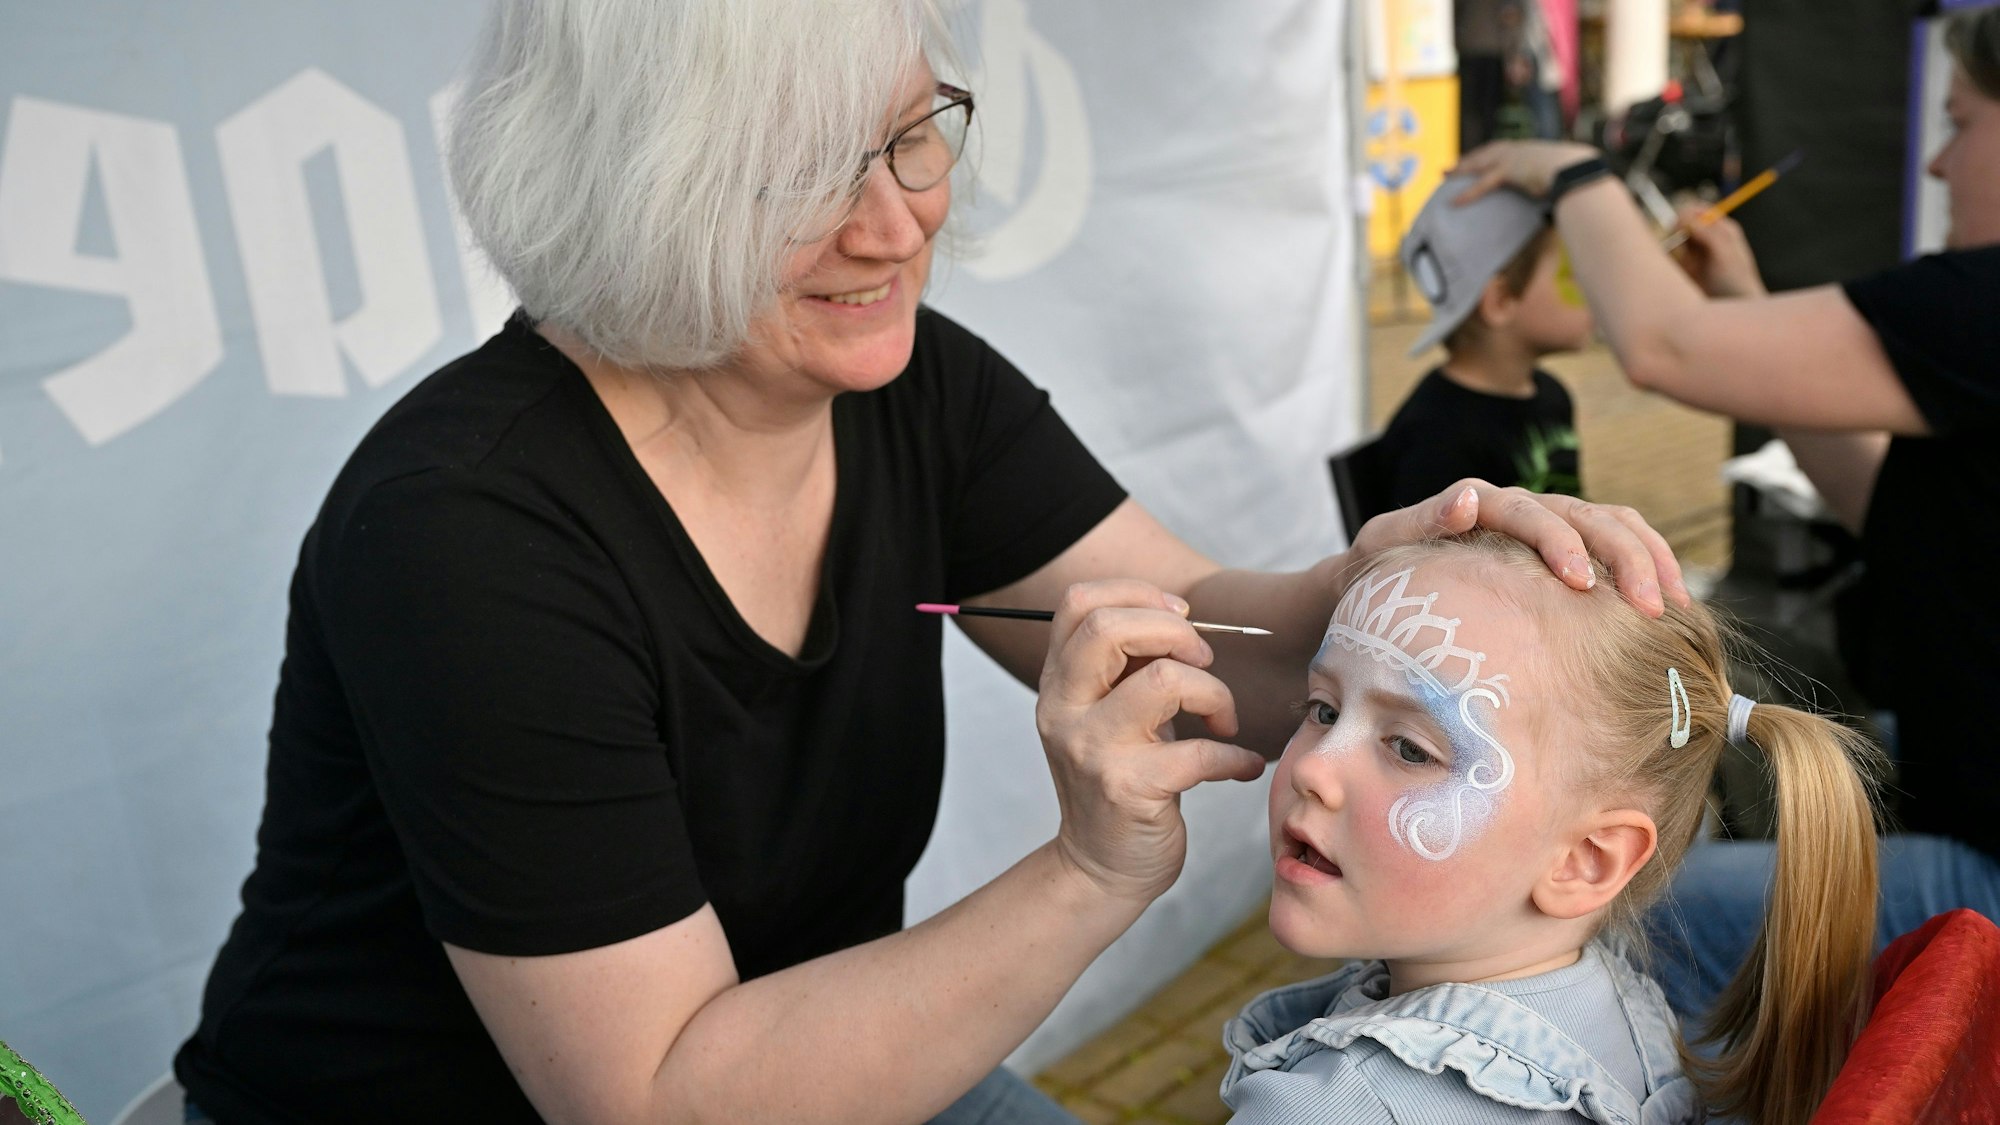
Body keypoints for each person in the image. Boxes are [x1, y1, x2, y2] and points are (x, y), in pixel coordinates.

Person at [170, 1, 1688, 1121]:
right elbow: (662, 1096)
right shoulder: (464, 539)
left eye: (914, 136)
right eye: (811, 178)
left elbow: (1211, 646)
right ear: (631, 190)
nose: (898, 224)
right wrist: (1094, 871)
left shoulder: (905, 387)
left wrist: (1384, 587)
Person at [1447, 8, 2000, 1025]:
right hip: (1949, 785)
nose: (1933, 163)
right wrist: (1743, 298)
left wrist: (1574, 174)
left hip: (1983, 870)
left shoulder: (1982, 302)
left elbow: (1664, 347)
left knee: (1616, 907)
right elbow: (1892, 507)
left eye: (1960, 124)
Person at [1218, 532, 1884, 1125]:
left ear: (1586, 861)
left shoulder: (1334, 1105)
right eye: (1324, 708)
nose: (1314, 768)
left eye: (1411, 748)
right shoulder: (1620, 1005)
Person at [1377, 173, 1589, 514]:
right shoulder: (1437, 440)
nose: (1592, 288)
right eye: (1572, 275)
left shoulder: (1552, 396)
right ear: (1501, 300)